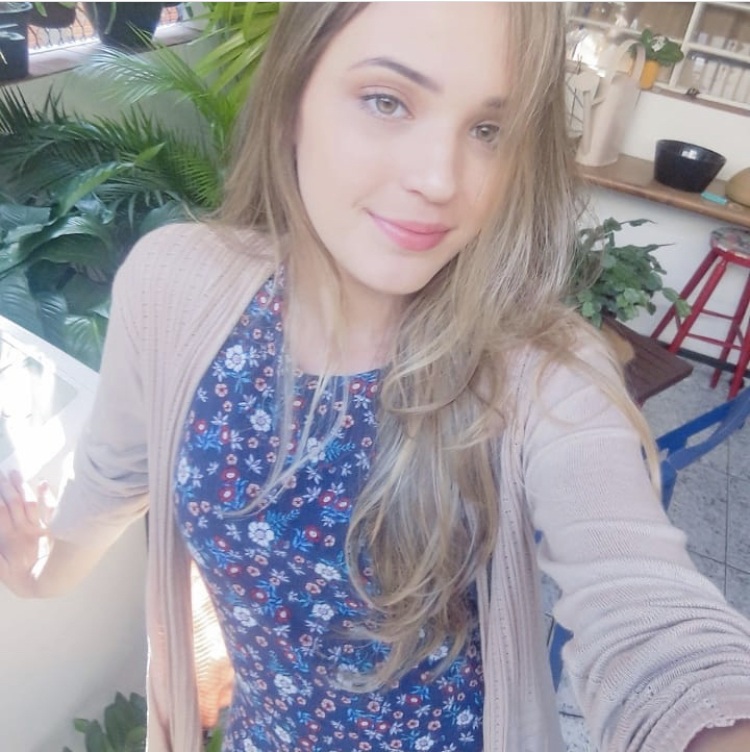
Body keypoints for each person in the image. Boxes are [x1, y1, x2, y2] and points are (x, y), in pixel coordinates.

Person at [1, 3, 750, 751]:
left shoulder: (538, 369)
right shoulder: (176, 286)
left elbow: (646, 609)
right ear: (293, 98)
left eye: (489, 130)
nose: (439, 179)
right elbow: (117, 478)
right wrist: (41, 574)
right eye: (387, 101)